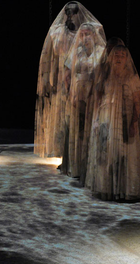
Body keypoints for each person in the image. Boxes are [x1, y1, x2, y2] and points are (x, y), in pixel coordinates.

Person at [34, 1, 102, 158]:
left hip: (81, 75)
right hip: (61, 76)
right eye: (68, 12)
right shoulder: (56, 31)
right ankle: (64, 152)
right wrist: (46, 80)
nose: (71, 15)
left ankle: (82, 153)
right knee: (63, 116)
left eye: (74, 12)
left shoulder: (87, 32)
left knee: (79, 116)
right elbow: (47, 56)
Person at [85, 45, 140, 201]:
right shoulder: (104, 77)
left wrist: (134, 123)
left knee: (125, 154)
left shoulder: (132, 77)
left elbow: (137, 102)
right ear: (111, 58)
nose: (119, 58)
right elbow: (98, 100)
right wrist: (97, 120)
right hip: (107, 120)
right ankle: (107, 187)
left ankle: (124, 189)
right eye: (116, 55)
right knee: (106, 154)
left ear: (127, 59)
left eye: (122, 55)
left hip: (125, 120)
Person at [61, 22, 106, 177]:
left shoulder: (101, 52)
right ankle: (78, 166)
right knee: (78, 130)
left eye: (88, 34)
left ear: (94, 35)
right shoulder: (76, 51)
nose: (85, 37)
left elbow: (106, 76)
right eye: (83, 34)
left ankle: (92, 168)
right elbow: (66, 74)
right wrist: (69, 92)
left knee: (92, 130)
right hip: (78, 96)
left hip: (94, 96)